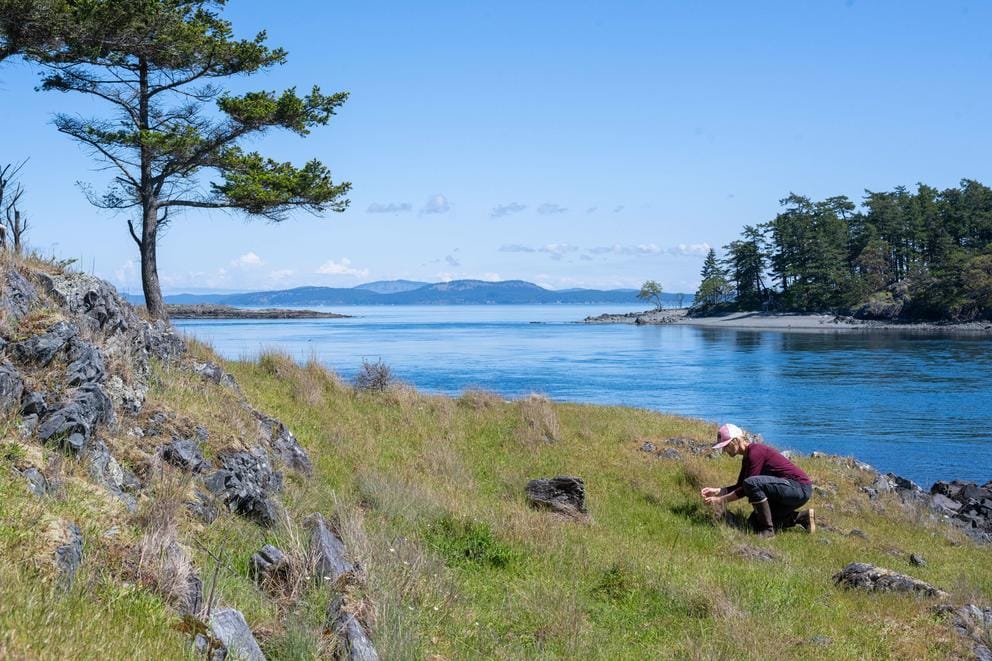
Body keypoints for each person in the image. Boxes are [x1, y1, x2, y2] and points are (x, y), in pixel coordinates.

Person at [699, 423, 815, 537]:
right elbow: (740, 486)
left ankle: (768, 531)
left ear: (736, 440)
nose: (724, 450)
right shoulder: (747, 457)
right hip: (791, 490)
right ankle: (803, 517)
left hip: (799, 487)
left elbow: (746, 488)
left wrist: (720, 500)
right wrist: (718, 491)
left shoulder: (755, 452)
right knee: (753, 524)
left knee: (751, 483)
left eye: (726, 446)